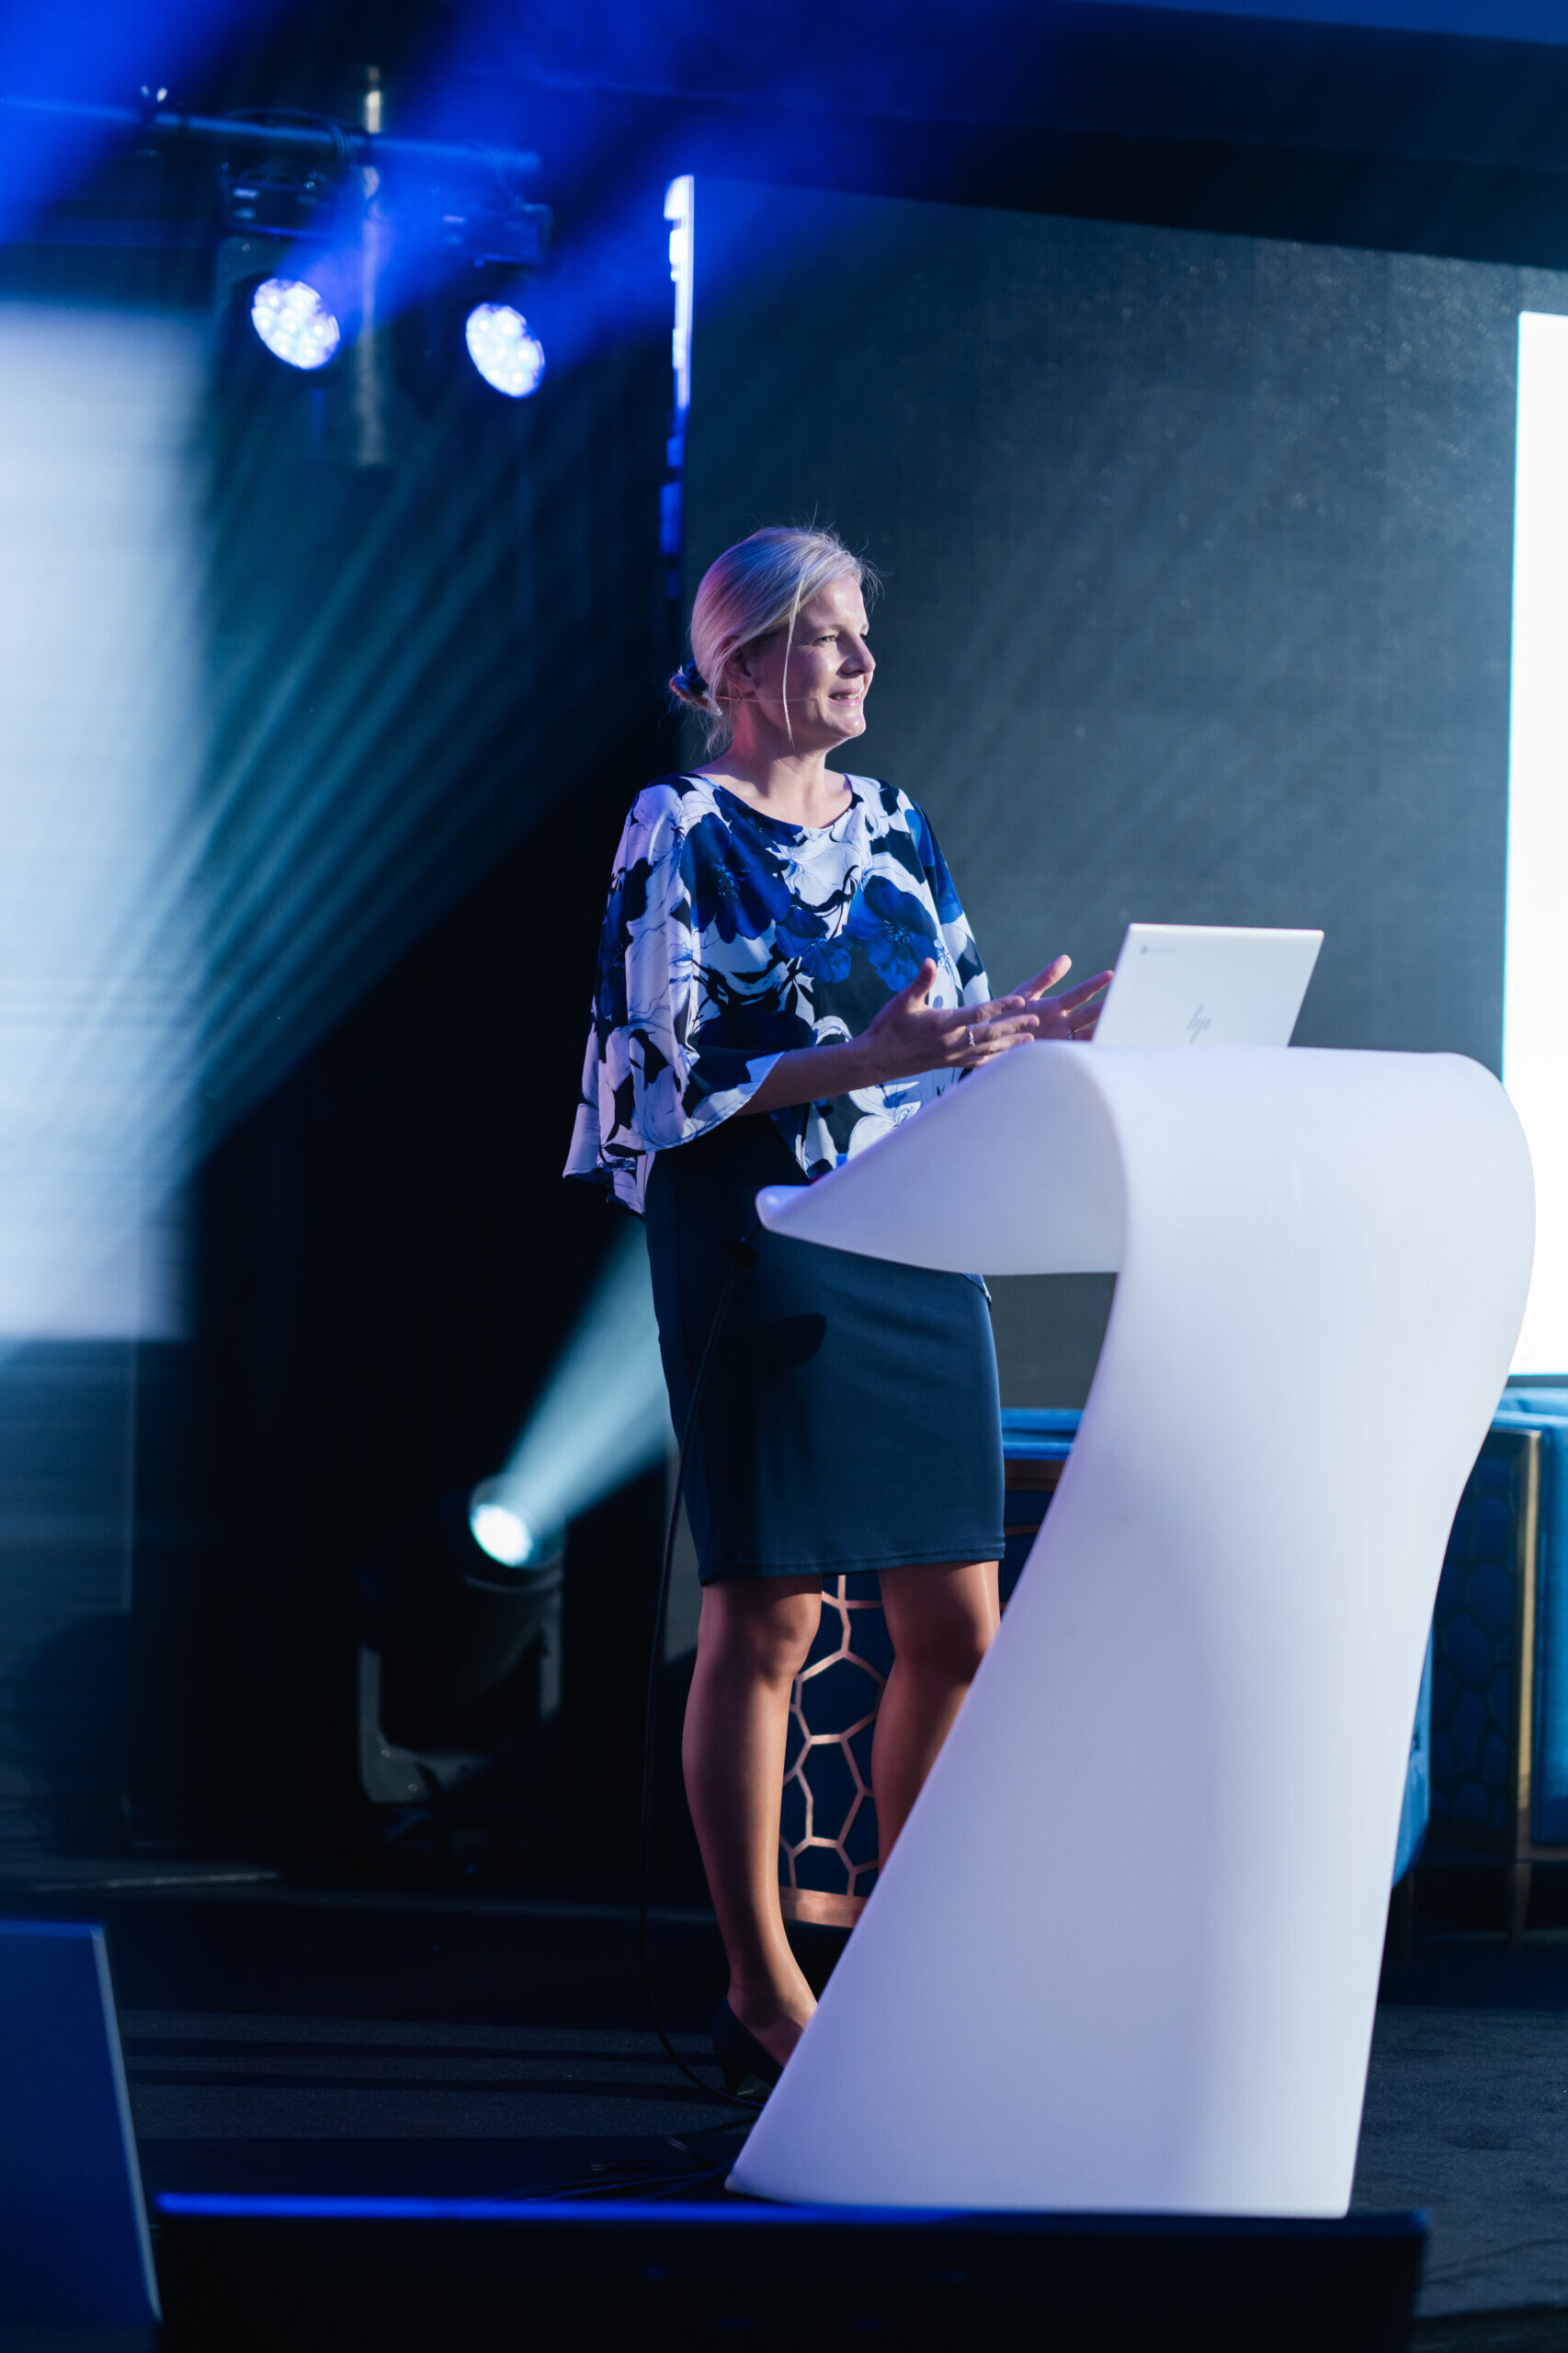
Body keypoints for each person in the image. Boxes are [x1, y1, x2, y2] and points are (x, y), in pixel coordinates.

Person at [566, 525, 1108, 2094]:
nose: (864, 660)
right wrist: (867, 1062)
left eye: (863, 633)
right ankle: (762, 1984)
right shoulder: (676, 825)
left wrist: (1025, 1036)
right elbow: (651, 1076)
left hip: (916, 1225)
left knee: (956, 1623)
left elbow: (945, 1024)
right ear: (741, 663)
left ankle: (902, 1954)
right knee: (774, 1615)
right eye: (830, 637)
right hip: (765, 1229)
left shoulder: (896, 823)